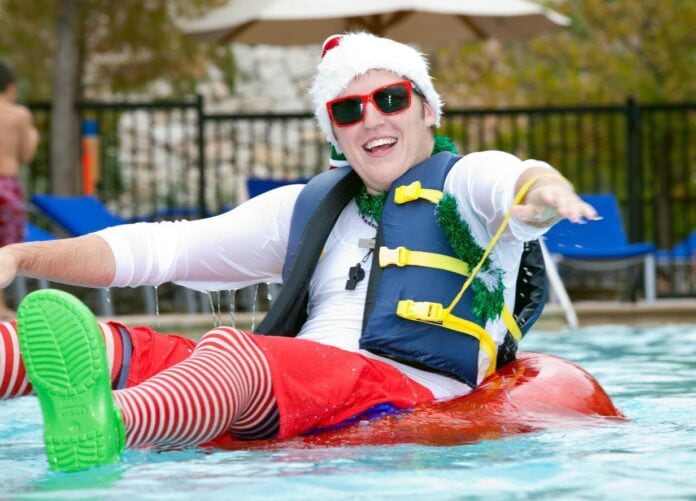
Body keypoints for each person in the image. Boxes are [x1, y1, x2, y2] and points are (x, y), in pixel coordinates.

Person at [0, 32, 596, 472]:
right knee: (114, 345)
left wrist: (544, 196)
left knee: (236, 355)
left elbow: (515, 180)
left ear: (428, 110)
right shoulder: (306, 207)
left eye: (390, 99)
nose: (371, 118)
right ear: (333, 132)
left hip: (399, 391)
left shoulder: (466, 186)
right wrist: (22, 257)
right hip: (291, 383)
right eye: (347, 109)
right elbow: (163, 246)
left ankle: (109, 424)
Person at [0, 62, 39, 319]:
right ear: (11, 88)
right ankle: (1, 307)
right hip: (6, 186)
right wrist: (33, 134)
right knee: (5, 249)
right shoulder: (18, 115)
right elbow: (26, 154)